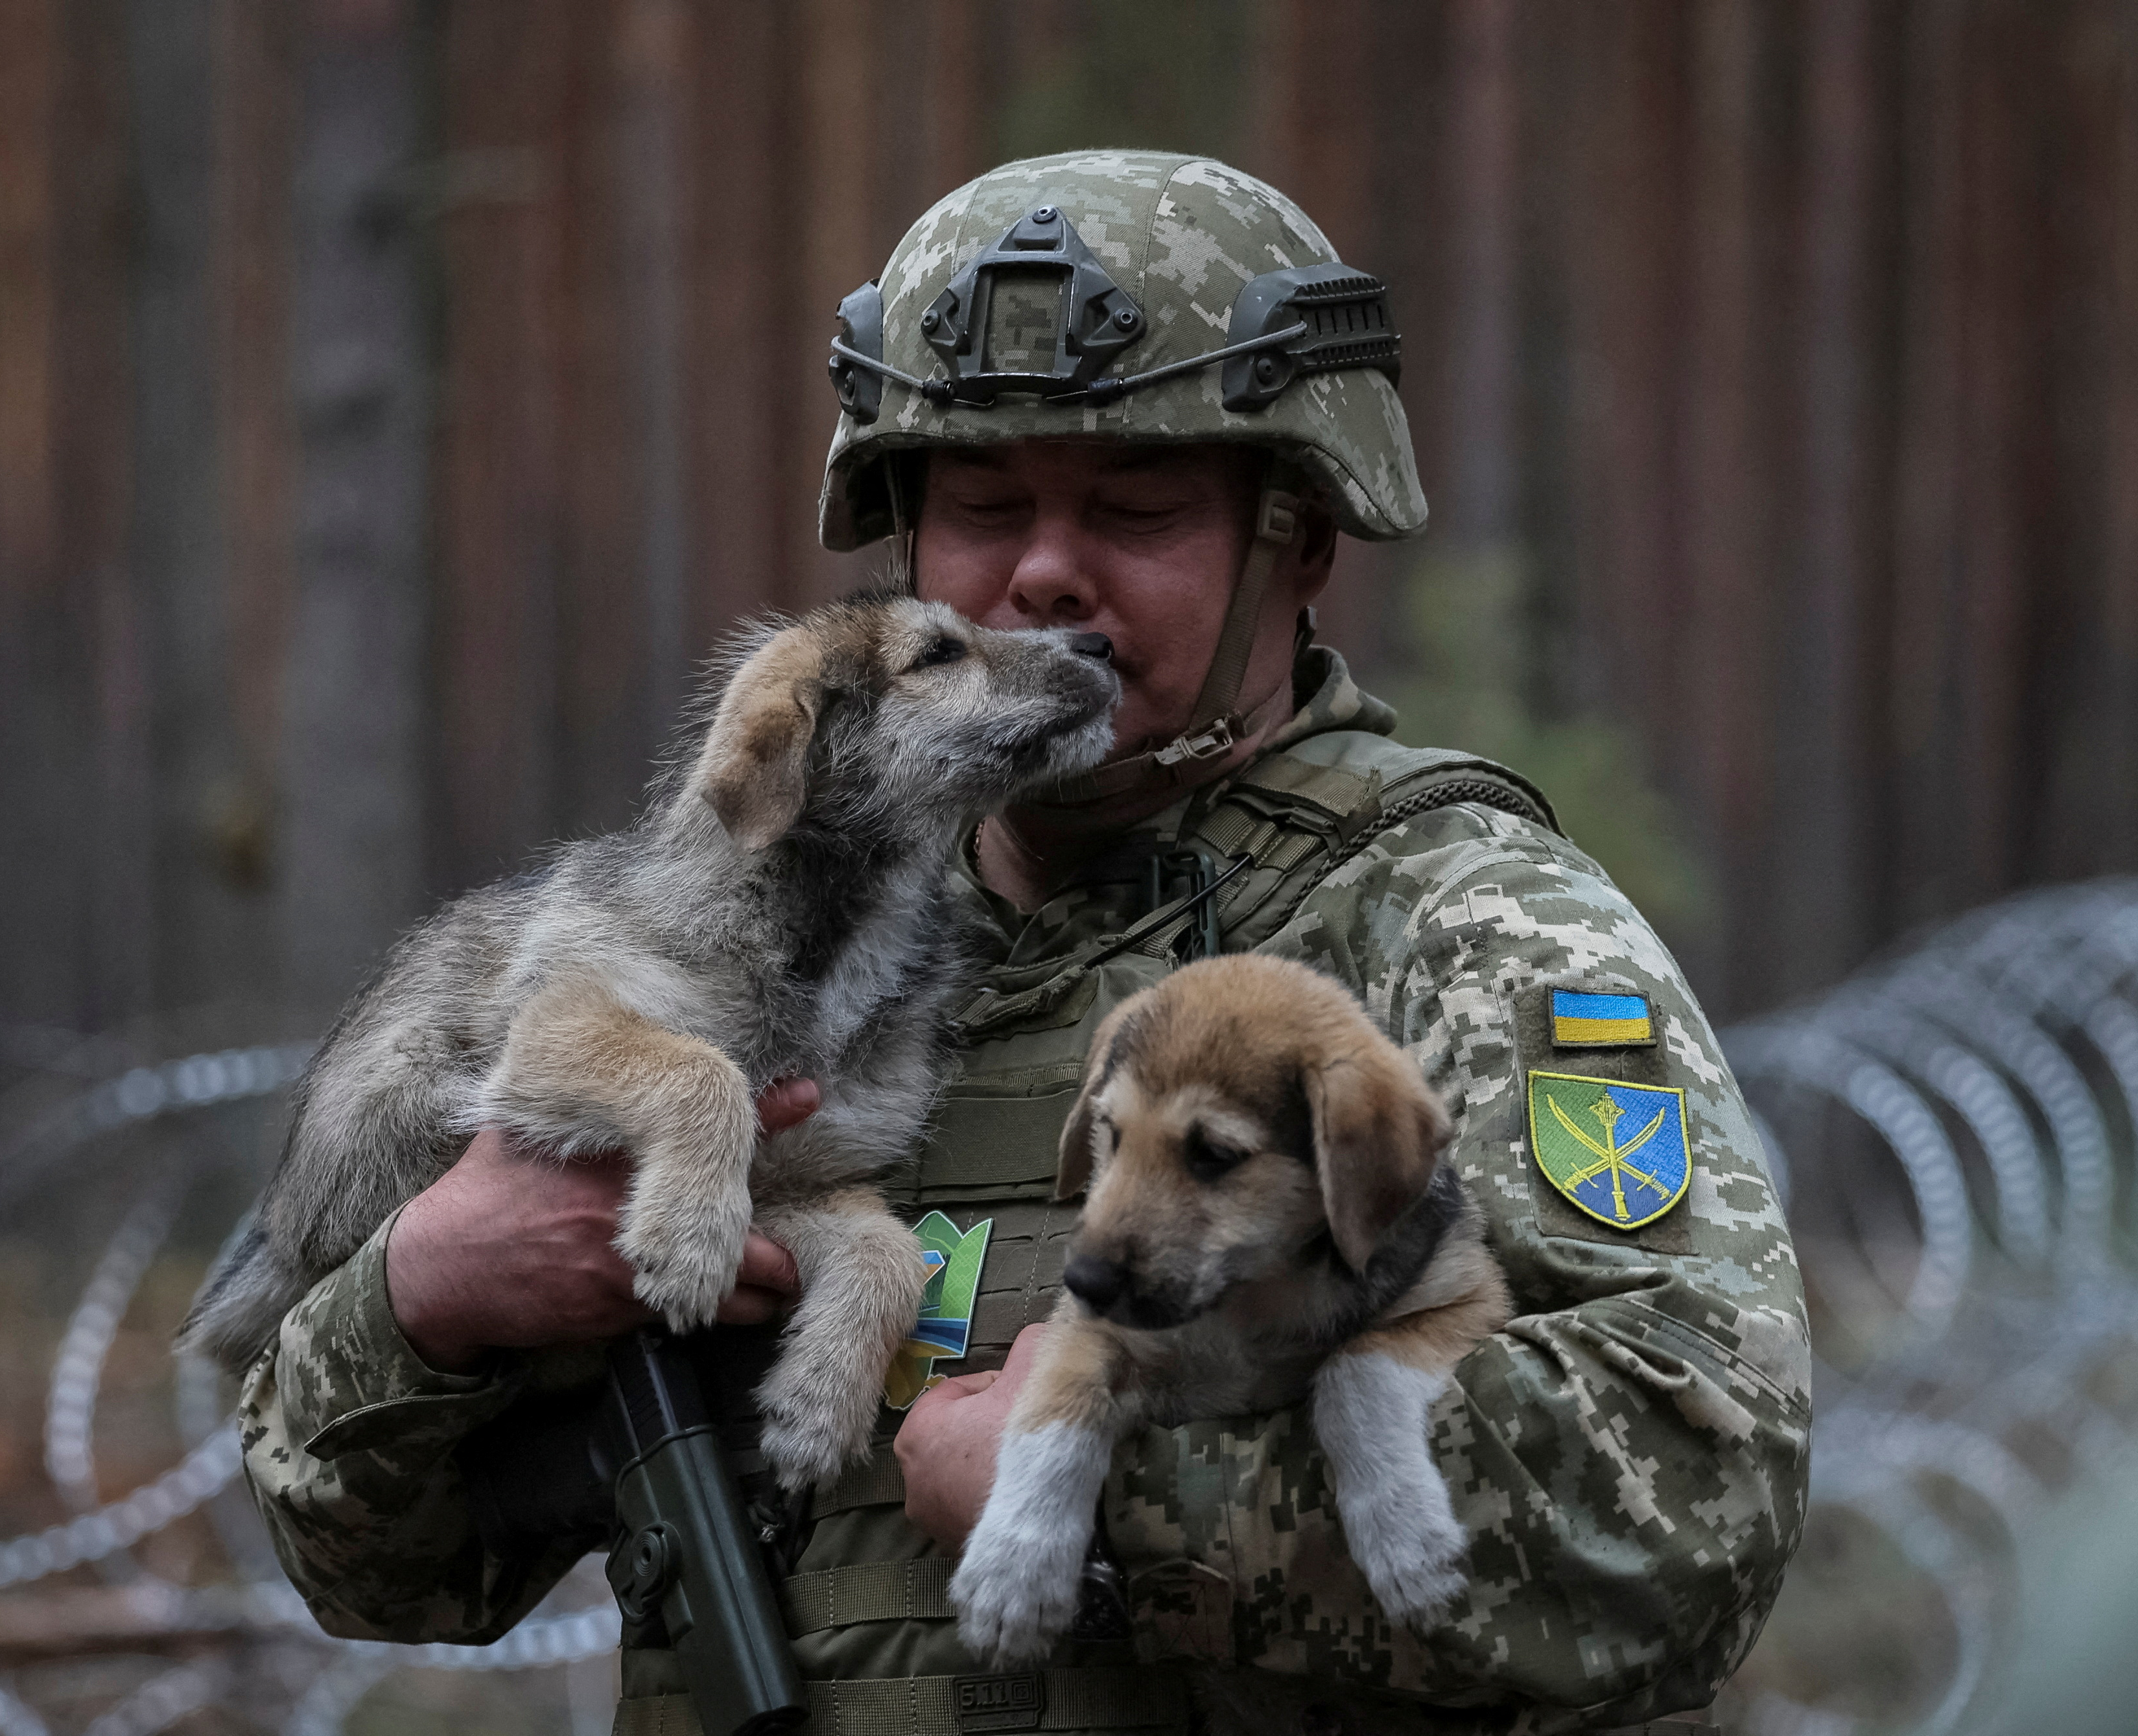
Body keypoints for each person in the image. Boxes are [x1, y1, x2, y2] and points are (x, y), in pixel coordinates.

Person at [236, 152, 1809, 1735]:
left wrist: (1105, 1497)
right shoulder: (777, 966)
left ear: (1300, 538)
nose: (1047, 572)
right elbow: (388, 1576)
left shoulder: (1453, 923)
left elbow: (1685, 1508)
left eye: (1134, 506)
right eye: (984, 507)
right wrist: (424, 1300)